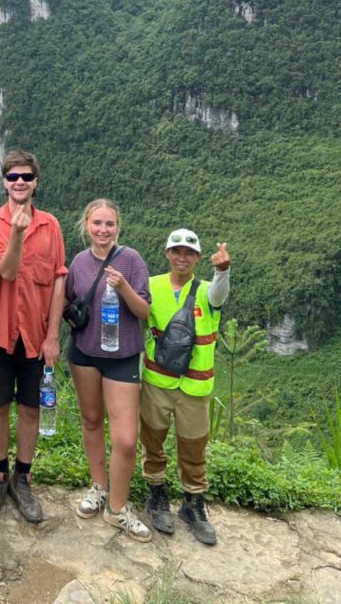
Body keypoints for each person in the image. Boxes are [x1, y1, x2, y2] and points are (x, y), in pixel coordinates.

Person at [0, 150, 66, 523]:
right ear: (4, 182)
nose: (19, 182)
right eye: (12, 177)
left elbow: (59, 281)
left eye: (26, 177)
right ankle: (0, 475)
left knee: (31, 408)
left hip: (35, 334)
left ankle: (23, 477)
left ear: (35, 183)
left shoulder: (51, 226)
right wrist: (16, 232)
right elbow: (8, 272)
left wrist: (52, 336)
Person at [65, 198, 152, 541]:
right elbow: (68, 301)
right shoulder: (80, 262)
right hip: (84, 353)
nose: (103, 230)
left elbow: (144, 311)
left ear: (118, 227)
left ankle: (118, 509)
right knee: (90, 420)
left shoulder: (131, 260)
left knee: (126, 439)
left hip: (123, 356)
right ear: (87, 225)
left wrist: (124, 287)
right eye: (97, 223)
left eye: (109, 224)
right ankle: (99, 487)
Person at [140, 228, 230, 545]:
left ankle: (193, 504)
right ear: (167, 253)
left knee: (194, 447)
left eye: (189, 253)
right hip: (157, 381)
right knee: (153, 440)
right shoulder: (151, 286)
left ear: (197, 259)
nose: (182, 257)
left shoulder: (207, 290)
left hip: (195, 385)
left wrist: (223, 271)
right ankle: (157, 493)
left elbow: (220, 294)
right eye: (176, 251)